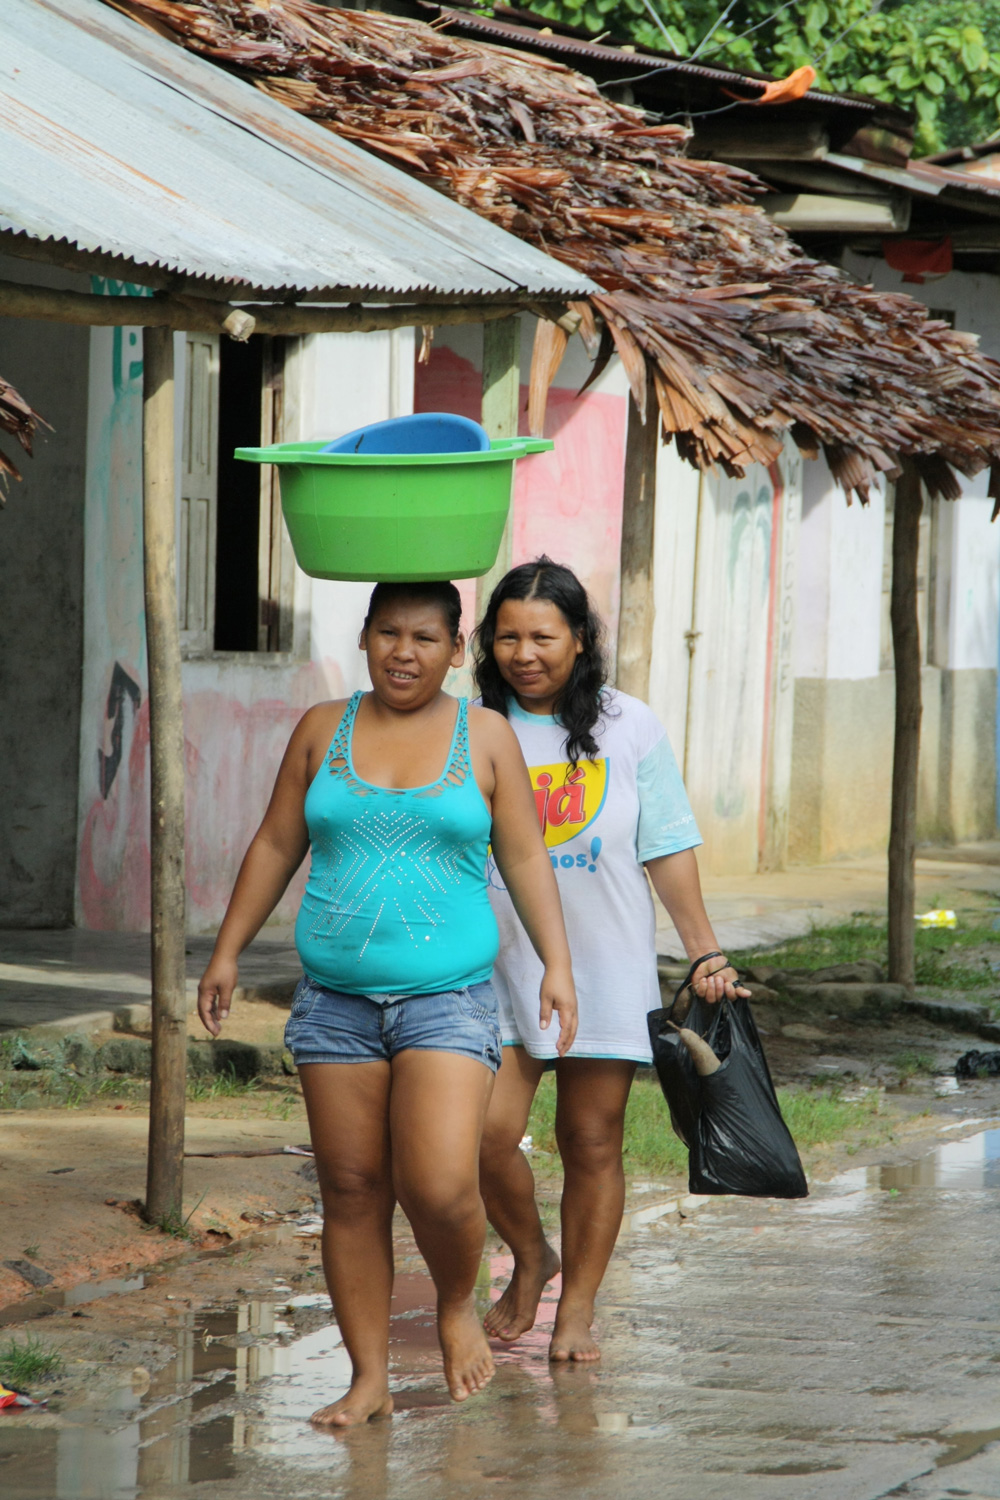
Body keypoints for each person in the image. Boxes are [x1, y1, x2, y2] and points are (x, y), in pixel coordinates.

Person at [197, 580, 578, 1426]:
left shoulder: (486, 737)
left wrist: (558, 964)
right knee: (353, 1187)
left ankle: (450, 1304)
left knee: (441, 1184)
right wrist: (226, 951)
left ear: (454, 648)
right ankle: (368, 1377)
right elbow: (275, 842)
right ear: (365, 637)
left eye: (425, 637)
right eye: (389, 633)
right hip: (335, 1003)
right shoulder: (319, 730)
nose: (405, 652)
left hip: (448, 999)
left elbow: (523, 855)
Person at [473, 558, 748, 1363]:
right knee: (484, 1138)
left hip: (603, 959)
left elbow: (665, 845)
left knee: (592, 1140)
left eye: (544, 637)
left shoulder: (631, 725)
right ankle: (531, 1257)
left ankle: (577, 1309)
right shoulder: (469, 724)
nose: (525, 653)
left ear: (582, 639)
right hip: (492, 964)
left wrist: (704, 951)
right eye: (509, 636)